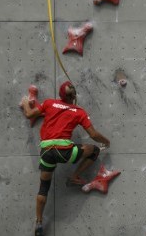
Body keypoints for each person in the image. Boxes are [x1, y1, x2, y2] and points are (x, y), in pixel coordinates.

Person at [21, 81, 110, 236]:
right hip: (65, 152)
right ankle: (74, 176)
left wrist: (24, 102)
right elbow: (94, 135)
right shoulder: (79, 111)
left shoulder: (49, 103)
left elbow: (29, 114)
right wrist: (106, 142)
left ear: (60, 95)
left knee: (43, 188)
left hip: (47, 152)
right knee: (94, 150)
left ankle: (39, 222)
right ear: (74, 95)